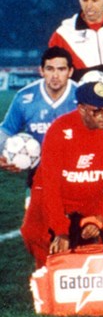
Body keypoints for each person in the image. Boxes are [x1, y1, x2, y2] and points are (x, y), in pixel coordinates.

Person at [19, 81, 103, 268]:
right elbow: (50, 185)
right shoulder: (59, 130)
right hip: (56, 192)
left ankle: (100, 271)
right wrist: (60, 229)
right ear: (81, 109)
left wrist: (99, 218)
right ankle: (48, 270)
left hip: (94, 193)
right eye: (97, 111)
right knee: (32, 231)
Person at [0, 48, 78, 206]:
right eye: (50, 69)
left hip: (79, 172)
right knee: (36, 220)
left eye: (61, 69)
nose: (55, 75)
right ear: (41, 71)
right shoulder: (24, 97)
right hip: (40, 173)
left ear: (70, 72)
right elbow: (6, 130)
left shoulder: (82, 96)